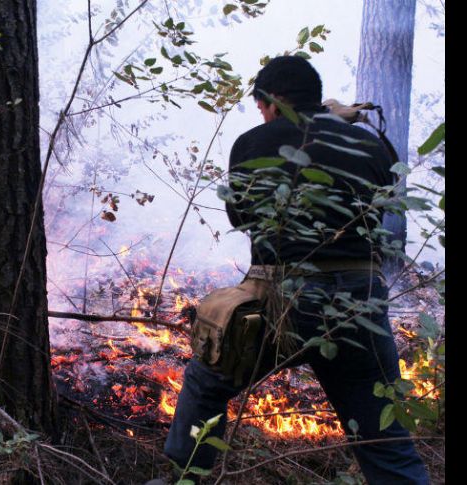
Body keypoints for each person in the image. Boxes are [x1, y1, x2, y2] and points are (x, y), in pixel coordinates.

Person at [159, 56, 430, 484]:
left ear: (272, 100)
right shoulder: (370, 144)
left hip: (282, 298)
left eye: (261, 106)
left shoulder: (254, 142)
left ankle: (187, 476)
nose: (262, 116)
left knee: (206, 384)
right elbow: (385, 206)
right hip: (358, 303)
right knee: (383, 434)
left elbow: (241, 216)